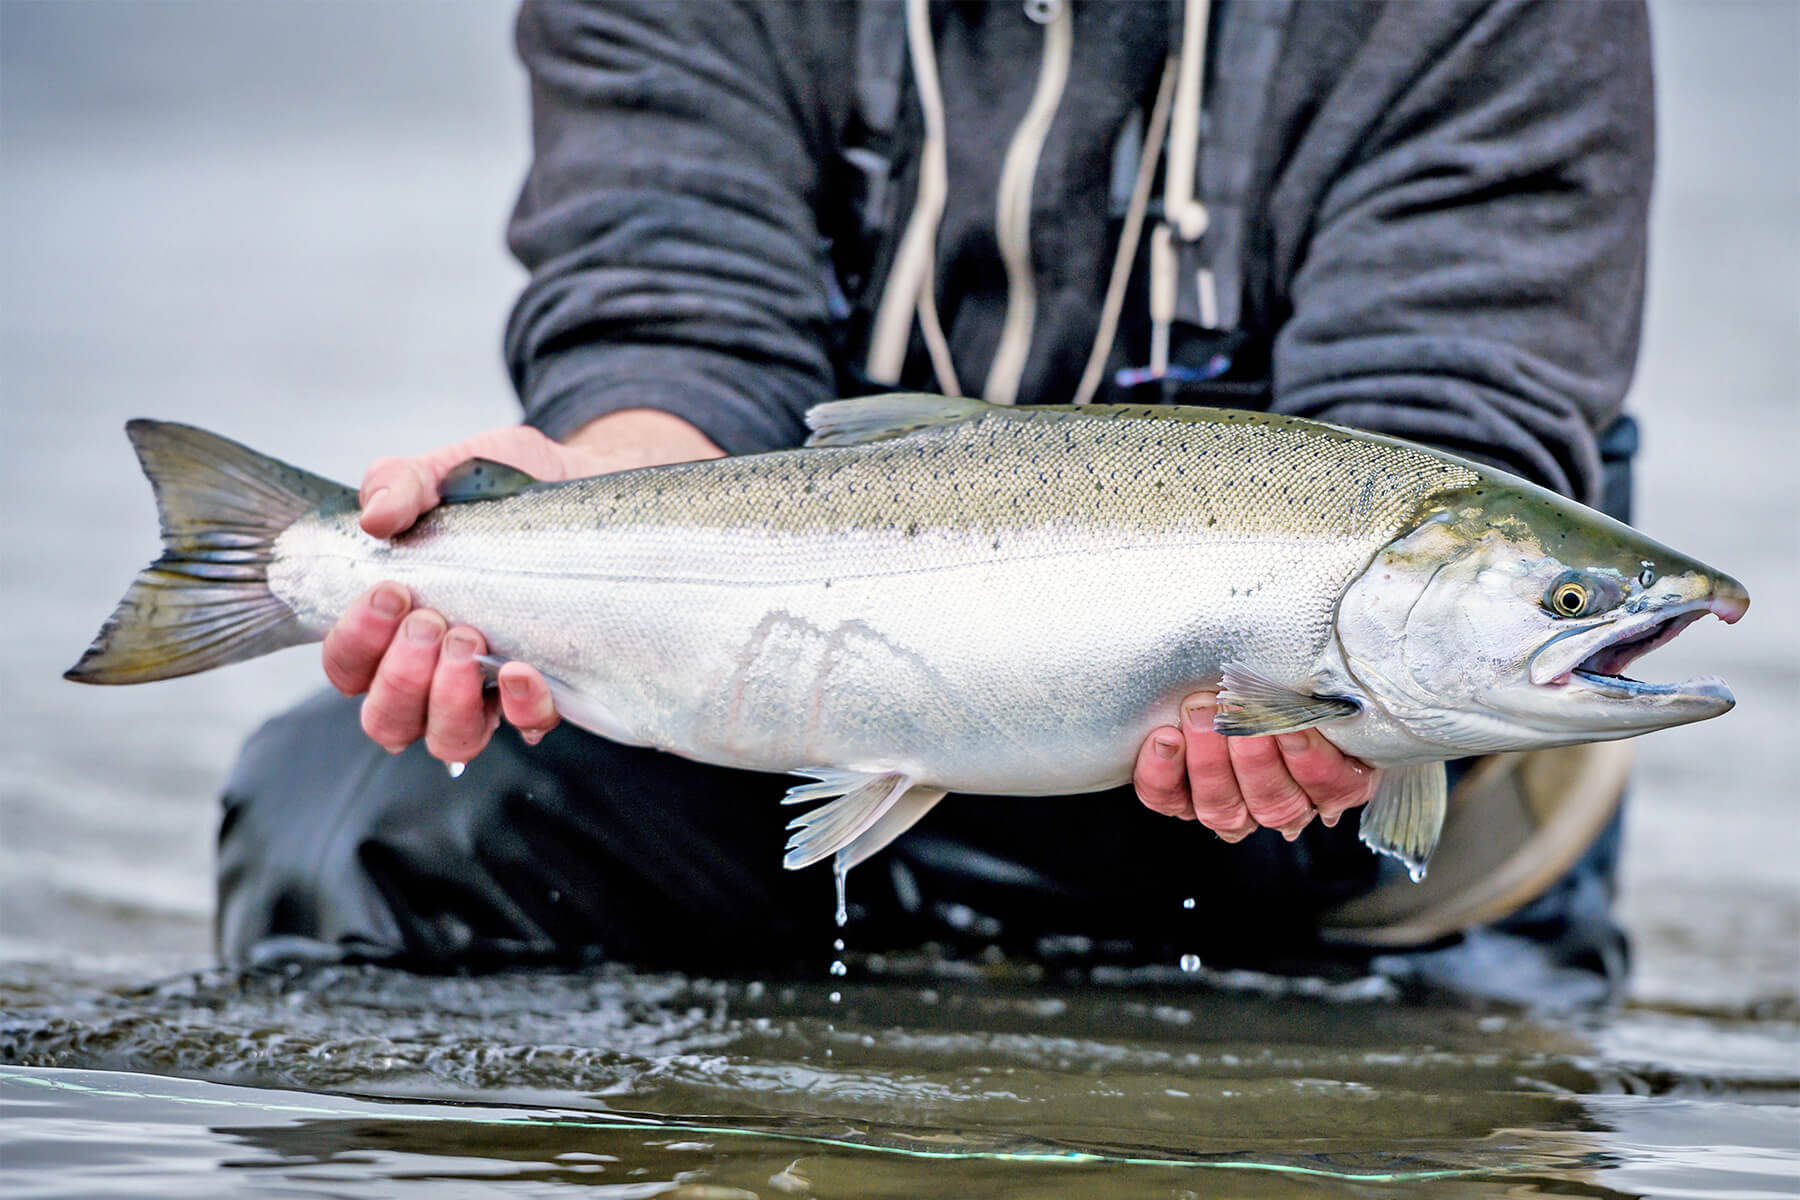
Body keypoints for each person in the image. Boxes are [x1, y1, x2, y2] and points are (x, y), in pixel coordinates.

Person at [217, 0, 1653, 998]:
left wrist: (1384, 717)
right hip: (763, 719)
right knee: (344, 819)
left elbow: (1447, 409)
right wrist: (603, 482)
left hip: (1362, 867)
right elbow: (676, 294)